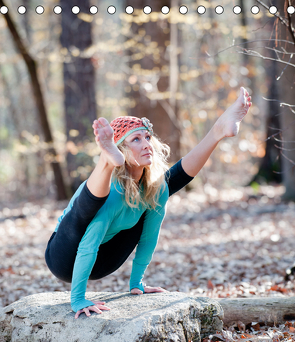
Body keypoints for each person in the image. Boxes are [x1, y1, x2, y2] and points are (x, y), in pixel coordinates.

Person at [45, 87, 252, 319]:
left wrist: (137, 283)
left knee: (156, 189)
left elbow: (149, 237)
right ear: (121, 148)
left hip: (104, 261)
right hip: (65, 257)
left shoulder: (155, 188)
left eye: (147, 137)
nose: (146, 144)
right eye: (136, 139)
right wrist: (78, 299)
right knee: (91, 208)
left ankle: (218, 130)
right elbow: (87, 243)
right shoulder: (112, 192)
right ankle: (105, 161)